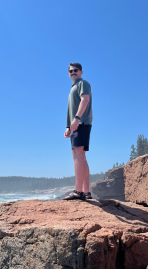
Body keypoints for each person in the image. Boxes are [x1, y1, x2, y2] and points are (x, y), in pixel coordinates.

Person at [63, 63, 93, 200]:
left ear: (81, 71)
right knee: (81, 156)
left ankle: (78, 191)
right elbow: (71, 108)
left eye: (75, 70)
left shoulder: (83, 83)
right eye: (70, 71)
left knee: (78, 155)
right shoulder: (73, 87)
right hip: (77, 124)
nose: (73, 72)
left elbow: (85, 100)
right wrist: (68, 127)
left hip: (81, 123)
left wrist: (76, 118)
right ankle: (86, 191)